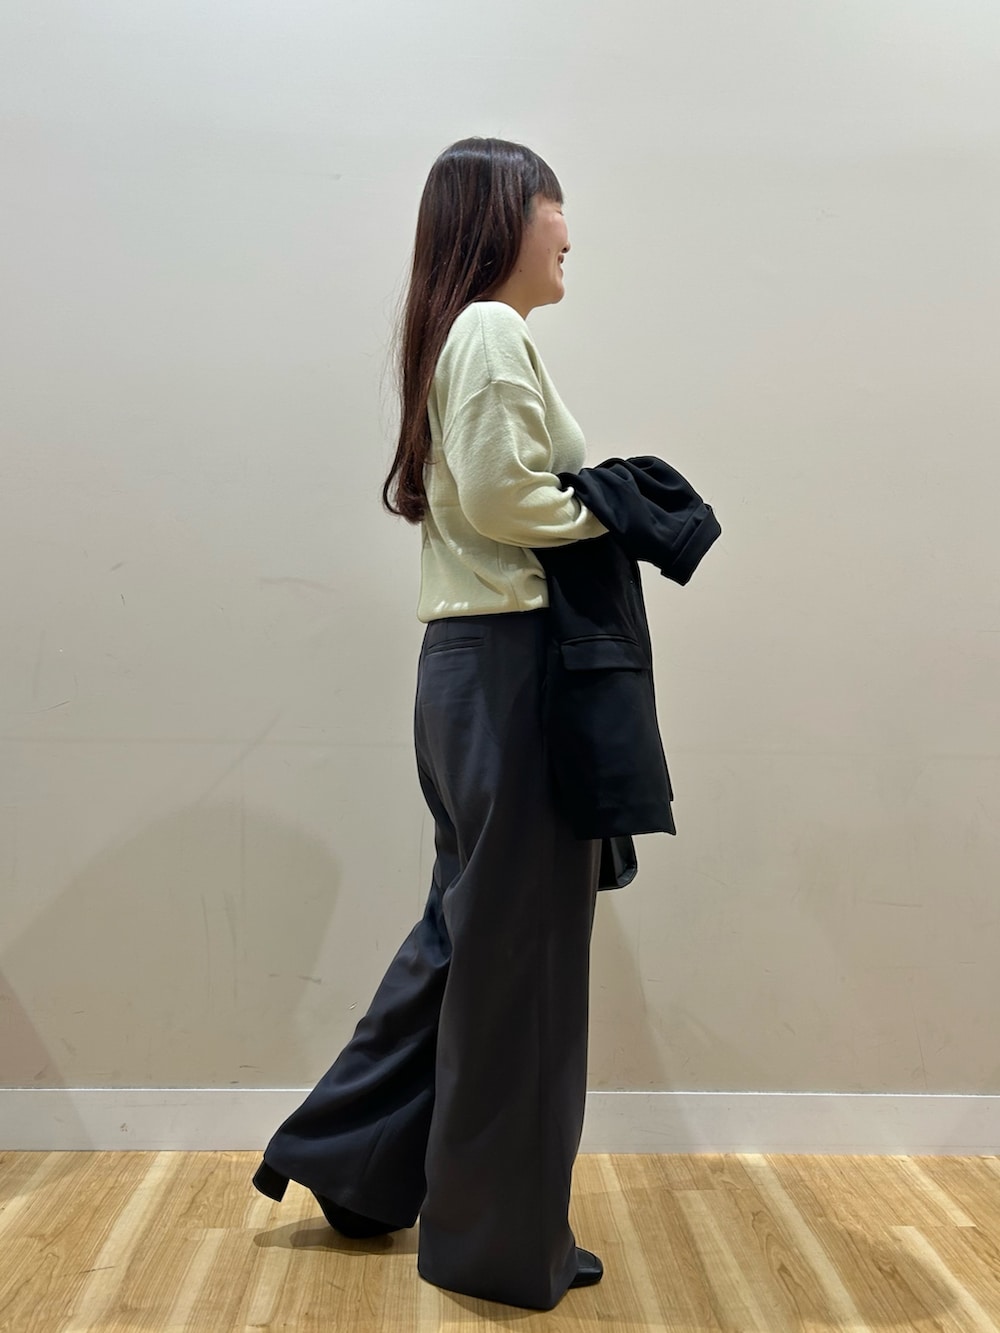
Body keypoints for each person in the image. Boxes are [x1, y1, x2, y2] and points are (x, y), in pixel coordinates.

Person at [252, 136, 612, 1311]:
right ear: (508, 213)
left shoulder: (456, 331)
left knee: (466, 936)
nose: (570, 231)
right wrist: (617, 510)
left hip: (465, 670)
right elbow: (506, 498)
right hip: (509, 668)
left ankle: (354, 1165)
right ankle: (497, 1245)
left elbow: (485, 494)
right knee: (520, 962)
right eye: (556, 204)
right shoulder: (492, 329)